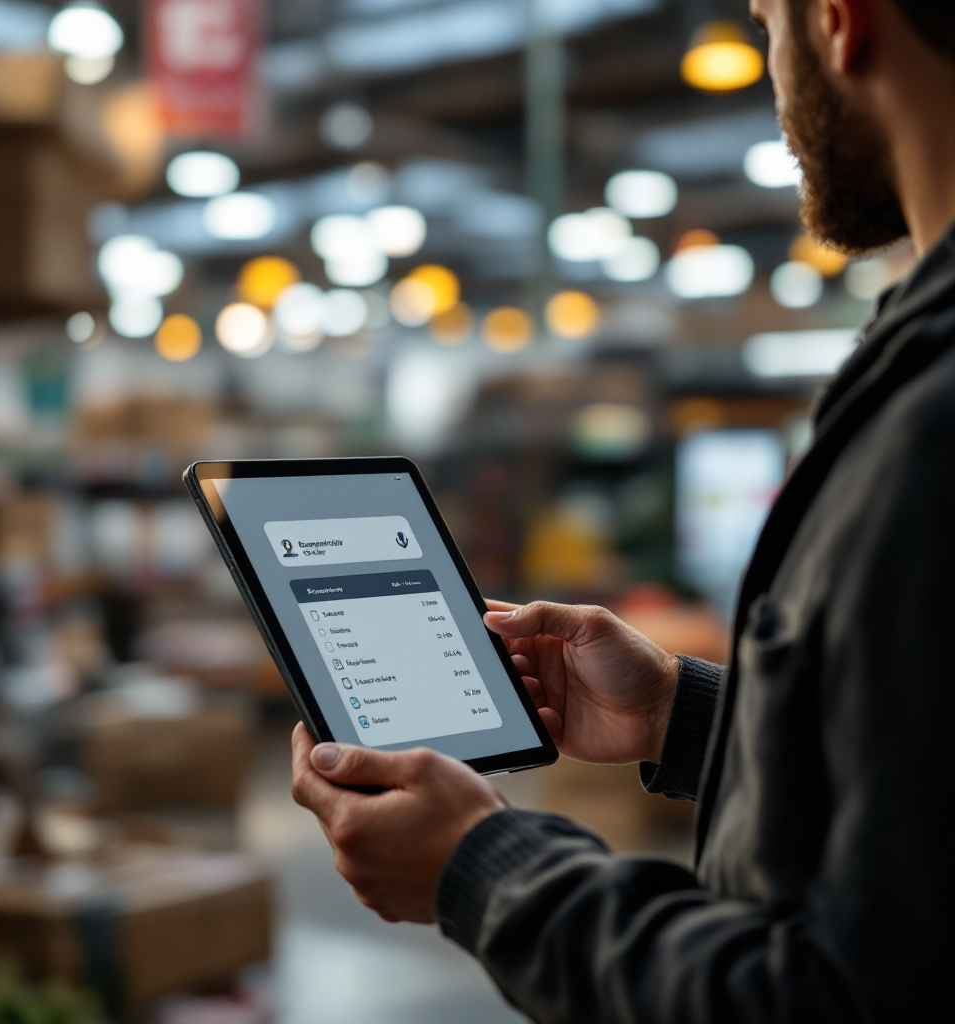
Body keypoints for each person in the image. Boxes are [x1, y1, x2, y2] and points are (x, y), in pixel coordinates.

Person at [291, 0, 955, 1017]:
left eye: (766, 18)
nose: (774, 71)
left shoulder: (930, 424)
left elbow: (844, 996)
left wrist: (484, 866)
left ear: (837, 20)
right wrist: (683, 714)